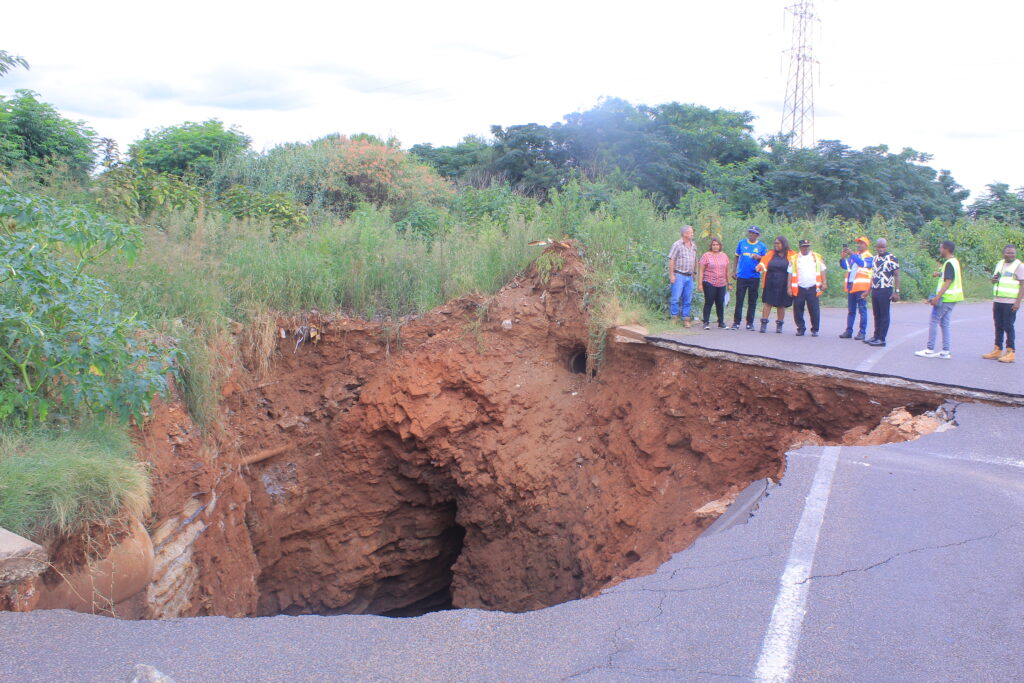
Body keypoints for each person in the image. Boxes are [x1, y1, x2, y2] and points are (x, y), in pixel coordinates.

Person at [915, 240, 963, 359]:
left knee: (934, 320)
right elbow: (948, 276)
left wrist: (937, 297)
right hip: (953, 298)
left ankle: (929, 349)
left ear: (946, 249)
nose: (939, 250)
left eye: (941, 248)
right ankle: (945, 351)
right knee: (945, 323)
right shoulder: (954, 262)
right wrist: (939, 274)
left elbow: (948, 281)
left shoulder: (949, 263)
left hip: (946, 299)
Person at [981, 244, 1024, 363]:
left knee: (1008, 326)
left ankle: (1011, 352)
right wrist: (993, 280)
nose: (1011, 255)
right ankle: (997, 349)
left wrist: (1018, 302)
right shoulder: (999, 264)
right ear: (1003, 253)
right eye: (1009, 252)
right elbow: (995, 279)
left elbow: (1022, 284)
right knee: (998, 325)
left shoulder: (1019, 266)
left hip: (1010, 302)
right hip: (998, 300)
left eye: (1013, 253)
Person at [756, 236, 796, 333]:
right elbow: (763, 263)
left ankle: (779, 325)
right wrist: (759, 266)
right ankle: (764, 324)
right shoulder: (770, 253)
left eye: (778, 243)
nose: (776, 245)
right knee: (768, 303)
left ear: (784, 244)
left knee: (781, 304)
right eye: (775, 243)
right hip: (771, 281)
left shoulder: (792, 254)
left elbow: (797, 265)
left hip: (784, 282)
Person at [865, 238, 901, 347]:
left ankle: (882, 338)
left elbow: (897, 275)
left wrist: (897, 292)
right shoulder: (875, 259)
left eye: (883, 247)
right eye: (879, 247)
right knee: (876, 314)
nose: (881, 249)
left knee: (884, 314)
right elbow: (874, 275)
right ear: (876, 247)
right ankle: (876, 336)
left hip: (885, 289)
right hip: (876, 289)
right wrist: (868, 290)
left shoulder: (891, 258)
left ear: (886, 247)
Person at [788, 239, 826, 336]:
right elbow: (790, 273)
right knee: (797, 309)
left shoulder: (816, 257)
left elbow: (822, 270)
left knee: (814, 310)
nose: (805, 248)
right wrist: (789, 287)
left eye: (807, 246)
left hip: (813, 287)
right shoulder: (794, 258)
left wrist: (824, 282)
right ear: (800, 247)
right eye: (803, 246)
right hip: (799, 288)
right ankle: (801, 328)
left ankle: (815, 329)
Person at [732, 226, 767, 330]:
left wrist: (759, 257)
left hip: (754, 276)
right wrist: (734, 271)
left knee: (752, 300)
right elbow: (736, 256)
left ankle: (749, 322)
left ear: (758, 235)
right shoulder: (742, 243)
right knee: (739, 299)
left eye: (754, 233)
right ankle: (736, 322)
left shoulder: (761, 246)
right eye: (750, 232)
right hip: (742, 275)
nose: (752, 234)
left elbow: (765, 260)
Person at [838, 237, 873, 340]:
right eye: (858, 243)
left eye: (861, 243)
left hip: (862, 287)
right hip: (852, 286)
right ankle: (848, 331)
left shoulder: (869, 256)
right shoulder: (855, 255)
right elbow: (846, 267)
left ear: (866, 245)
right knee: (851, 310)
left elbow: (862, 264)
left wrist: (852, 254)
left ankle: (862, 333)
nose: (859, 245)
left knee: (862, 310)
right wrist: (842, 258)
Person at [698, 237, 732, 329]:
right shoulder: (706, 255)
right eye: (713, 245)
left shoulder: (724, 256)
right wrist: (700, 284)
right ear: (711, 246)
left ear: (720, 246)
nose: (715, 246)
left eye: (717, 245)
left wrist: (729, 283)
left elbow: (727, 271)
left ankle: (721, 322)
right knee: (709, 302)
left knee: (720, 303)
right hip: (709, 282)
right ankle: (706, 322)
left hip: (721, 283)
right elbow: (701, 270)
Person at [667, 225, 697, 327]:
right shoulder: (677, 244)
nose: (692, 234)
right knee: (676, 297)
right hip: (679, 274)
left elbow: (695, 259)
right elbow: (671, 259)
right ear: (685, 234)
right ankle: (674, 318)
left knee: (688, 298)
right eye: (691, 232)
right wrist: (671, 275)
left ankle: (686, 319)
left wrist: (694, 272)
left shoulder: (693, 245)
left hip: (689, 276)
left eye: (692, 232)